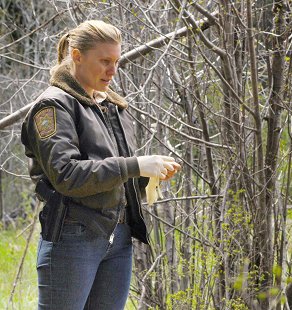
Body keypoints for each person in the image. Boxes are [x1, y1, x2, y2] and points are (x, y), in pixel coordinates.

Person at [21, 20, 181, 309]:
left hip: (118, 237)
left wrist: (147, 177)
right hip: (72, 238)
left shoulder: (112, 106)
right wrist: (135, 165)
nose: (113, 70)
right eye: (105, 61)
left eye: (116, 61)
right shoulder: (52, 107)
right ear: (77, 55)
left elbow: (111, 175)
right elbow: (67, 175)